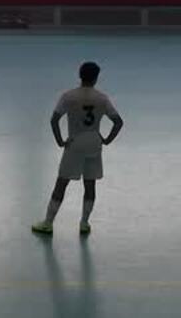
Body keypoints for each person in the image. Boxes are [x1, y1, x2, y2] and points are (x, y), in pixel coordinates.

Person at [32, 62, 123, 236]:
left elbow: (54, 119)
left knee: (62, 183)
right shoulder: (102, 98)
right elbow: (118, 122)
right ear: (96, 78)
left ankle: (48, 223)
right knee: (90, 185)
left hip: (75, 143)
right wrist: (107, 140)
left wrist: (60, 141)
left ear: (80, 76)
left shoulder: (68, 96)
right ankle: (84, 223)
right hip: (94, 142)